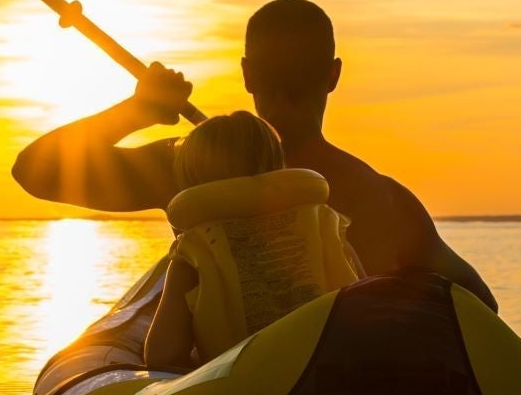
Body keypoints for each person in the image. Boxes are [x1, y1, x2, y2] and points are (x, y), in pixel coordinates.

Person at [12, 0, 497, 310]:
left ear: (246, 74)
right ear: (333, 75)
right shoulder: (386, 201)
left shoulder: (188, 166)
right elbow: (480, 303)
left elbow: (35, 170)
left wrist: (138, 110)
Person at [143, 109, 361, 369]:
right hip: (333, 378)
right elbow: (368, 305)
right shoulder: (327, 226)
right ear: (279, 167)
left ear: (189, 182)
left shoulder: (193, 254)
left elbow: (162, 355)